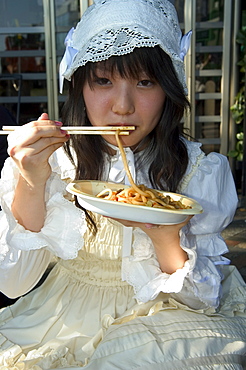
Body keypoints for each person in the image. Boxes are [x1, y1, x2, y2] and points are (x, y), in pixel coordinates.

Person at [0, 0, 245, 368]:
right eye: (103, 81)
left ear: (169, 88)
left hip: (160, 319)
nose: (123, 106)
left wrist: (164, 235)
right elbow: (13, 284)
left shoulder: (197, 171)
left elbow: (201, 302)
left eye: (145, 81)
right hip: (61, 315)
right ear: (80, 85)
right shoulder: (55, 162)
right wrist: (32, 182)